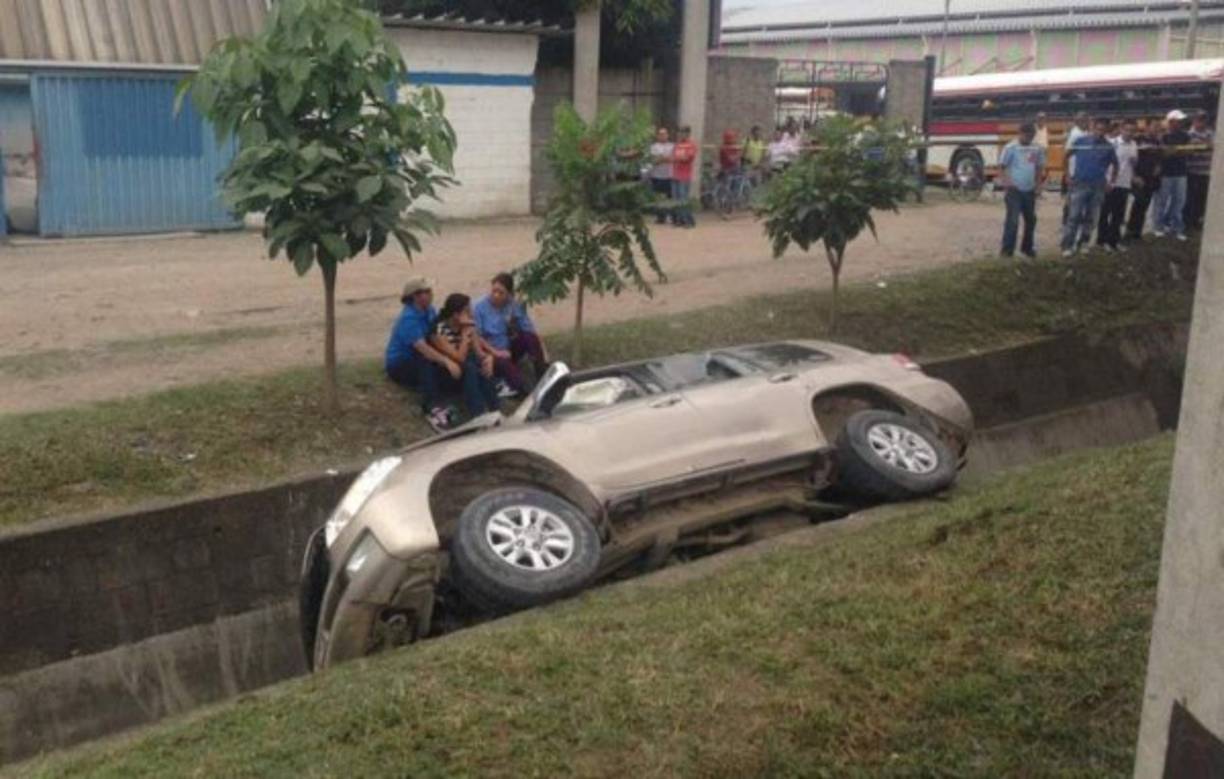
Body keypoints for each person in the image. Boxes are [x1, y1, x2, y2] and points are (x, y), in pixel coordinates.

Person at [386, 277, 475, 432]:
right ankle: (432, 408)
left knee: (459, 363)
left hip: (420, 359)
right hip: (400, 365)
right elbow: (423, 348)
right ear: (415, 296)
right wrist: (447, 361)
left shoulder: (429, 310)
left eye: (430, 290)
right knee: (426, 360)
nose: (431, 294)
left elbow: (436, 334)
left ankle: (472, 403)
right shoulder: (408, 319)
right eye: (426, 291)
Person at [473, 272, 549, 397]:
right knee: (510, 371)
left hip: (508, 349)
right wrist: (496, 353)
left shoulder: (513, 305)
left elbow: (528, 328)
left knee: (529, 338)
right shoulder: (479, 307)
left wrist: (543, 350)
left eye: (501, 293)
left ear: (509, 294)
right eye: (494, 291)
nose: (496, 295)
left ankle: (542, 375)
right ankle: (523, 391)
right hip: (491, 353)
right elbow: (477, 337)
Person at [428, 293, 500, 421]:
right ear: (456, 315)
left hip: (466, 369)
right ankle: (478, 414)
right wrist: (465, 335)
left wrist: (489, 359)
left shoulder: (469, 326)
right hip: (447, 373)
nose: (471, 315)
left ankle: (495, 410)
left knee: (482, 365)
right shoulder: (439, 331)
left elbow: (480, 353)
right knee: (470, 366)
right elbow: (459, 357)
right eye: (467, 311)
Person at [1061, 117, 1117, 257]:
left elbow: (1116, 165)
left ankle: (1083, 243)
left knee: (1091, 218)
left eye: (1103, 130)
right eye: (1098, 129)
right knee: (1074, 216)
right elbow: (1066, 156)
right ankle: (1067, 245)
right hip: (1080, 183)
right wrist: (1067, 175)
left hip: (1098, 186)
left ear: (1106, 131)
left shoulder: (1108, 146)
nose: (1100, 132)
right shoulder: (1081, 141)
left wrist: (1112, 182)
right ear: (1093, 128)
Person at [998, 122, 1046, 259]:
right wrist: (1007, 182)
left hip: (1029, 190)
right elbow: (1002, 166)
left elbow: (1039, 167)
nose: (1028, 139)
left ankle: (1027, 248)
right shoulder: (1011, 148)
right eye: (1026, 136)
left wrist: (1038, 185)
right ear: (1020, 134)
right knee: (1013, 221)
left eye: (1031, 136)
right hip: (1014, 190)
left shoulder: (1036, 148)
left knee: (1031, 220)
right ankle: (1007, 251)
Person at [1097, 118, 1139, 251]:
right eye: (1127, 130)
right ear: (1121, 129)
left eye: (1132, 131)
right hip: (1110, 183)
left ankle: (1114, 241)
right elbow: (1103, 163)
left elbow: (1133, 164)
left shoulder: (1134, 144)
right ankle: (1102, 241)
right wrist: (1105, 181)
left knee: (1118, 215)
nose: (1129, 133)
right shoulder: (1112, 143)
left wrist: (1134, 166)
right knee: (1105, 213)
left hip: (1124, 184)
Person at [1154, 109, 1191, 240]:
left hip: (1181, 172)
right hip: (1166, 173)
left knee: (1179, 202)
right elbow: (1164, 153)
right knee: (1162, 202)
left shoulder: (1185, 136)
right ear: (1171, 122)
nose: (1180, 122)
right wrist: (1177, 151)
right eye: (1178, 120)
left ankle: (1177, 228)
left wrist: (1174, 151)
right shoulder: (1163, 136)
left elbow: (1188, 151)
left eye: (1181, 121)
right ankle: (1158, 227)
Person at [1127, 119, 1163, 242]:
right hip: (1139, 178)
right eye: (1154, 126)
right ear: (1147, 127)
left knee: (1144, 206)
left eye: (1158, 127)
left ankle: (1137, 232)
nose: (1157, 129)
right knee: (1138, 203)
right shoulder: (1137, 140)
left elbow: (1160, 157)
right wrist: (1135, 176)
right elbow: (1131, 159)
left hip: (1151, 179)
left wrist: (1159, 166)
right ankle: (1130, 231)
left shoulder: (1158, 142)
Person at [1184, 109, 1214, 232]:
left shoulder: (1211, 133)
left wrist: (1203, 145)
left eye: (1203, 119)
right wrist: (1203, 146)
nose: (1201, 122)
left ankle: (1197, 221)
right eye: (1199, 119)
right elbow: (1190, 149)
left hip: (1206, 171)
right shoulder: (1189, 134)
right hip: (1192, 171)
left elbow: (1213, 146)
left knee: (1202, 199)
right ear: (1194, 120)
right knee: (1190, 198)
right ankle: (1187, 222)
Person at [671, 125, 698, 227]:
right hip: (675, 175)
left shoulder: (691, 145)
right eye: (680, 132)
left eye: (683, 132)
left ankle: (689, 220)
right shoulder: (677, 145)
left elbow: (687, 158)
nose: (681, 134)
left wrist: (677, 158)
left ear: (688, 134)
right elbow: (673, 157)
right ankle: (679, 219)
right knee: (676, 199)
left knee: (683, 199)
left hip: (684, 176)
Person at [648, 126, 675, 225]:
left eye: (664, 134)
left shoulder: (672, 146)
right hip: (657, 175)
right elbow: (654, 160)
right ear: (657, 136)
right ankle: (660, 217)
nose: (662, 136)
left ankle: (671, 216)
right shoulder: (653, 147)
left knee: (670, 197)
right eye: (660, 134)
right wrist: (664, 158)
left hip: (669, 175)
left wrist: (662, 158)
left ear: (668, 135)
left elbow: (673, 159)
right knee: (658, 197)